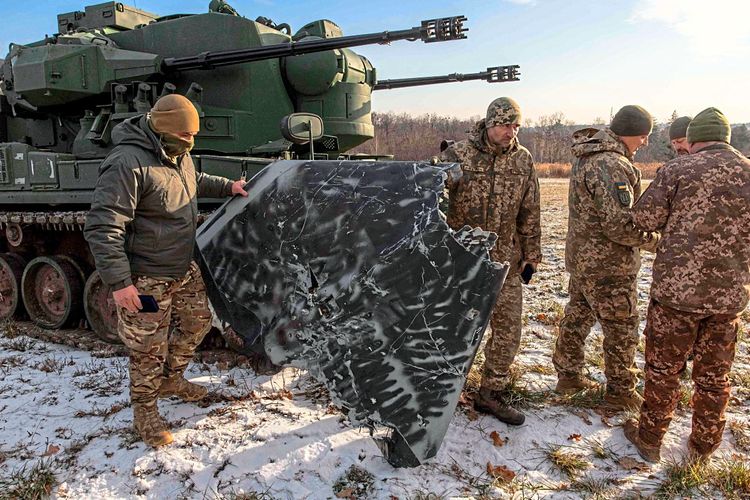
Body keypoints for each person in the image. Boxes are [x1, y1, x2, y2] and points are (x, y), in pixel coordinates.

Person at [84, 94, 247, 447]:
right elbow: (103, 226)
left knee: (198, 321)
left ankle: (172, 379)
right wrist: (120, 283)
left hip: (181, 266)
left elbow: (191, 179)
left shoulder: (176, 153)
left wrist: (227, 187)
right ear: (162, 130)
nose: (191, 142)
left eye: (193, 136)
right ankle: (145, 412)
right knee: (147, 347)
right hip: (146, 277)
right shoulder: (126, 164)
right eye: (185, 136)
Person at [623, 107, 750, 463]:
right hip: (728, 298)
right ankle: (703, 446)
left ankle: (649, 440)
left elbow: (643, 218)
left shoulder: (678, 170)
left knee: (663, 371)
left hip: (676, 295)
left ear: (693, 139)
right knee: (715, 376)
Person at [440, 97, 541, 425]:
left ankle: (490, 393)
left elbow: (530, 210)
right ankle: (443, 389)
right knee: (455, 327)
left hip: (505, 262)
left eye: (516, 125)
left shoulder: (523, 161)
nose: (511, 131)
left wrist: (532, 255)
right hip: (463, 261)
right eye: (504, 125)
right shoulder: (459, 154)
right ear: (489, 123)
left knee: (508, 330)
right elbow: (433, 195)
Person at [552, 105, 660, 411]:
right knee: (621, 327)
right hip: (609, 265)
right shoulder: (612, 164)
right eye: (643, 137)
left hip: (585, 260)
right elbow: (619, 226)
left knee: (577, 316)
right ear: (636, 134)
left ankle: (568, 375)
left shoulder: (589, 157)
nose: (644, 144)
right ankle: (621, 391)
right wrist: (654, 241)